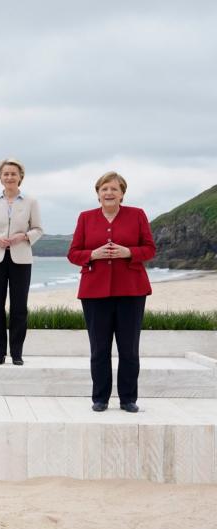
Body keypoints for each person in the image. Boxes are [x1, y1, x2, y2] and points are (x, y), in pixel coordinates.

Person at [67, 171, 155, 413]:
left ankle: (128, 399)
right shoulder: (85, 218)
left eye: (114, 189)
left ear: (122, 193)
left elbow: (149, 249)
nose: (109, 193)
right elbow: (73, 253)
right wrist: (91, 255)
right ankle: (100, 398)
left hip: (131, 290)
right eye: (104, 189)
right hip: (94, 292)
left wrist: (129, 252)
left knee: (129, 348)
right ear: (98, 194)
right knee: (99, 348)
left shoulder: (137, 215)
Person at [0, 158, 43, 366]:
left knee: (19, 307)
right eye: (6, 174)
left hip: (21, 259)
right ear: (0, 177)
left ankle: (16, 353)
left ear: (20, 176)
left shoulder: (30, 201)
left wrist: (23, 237)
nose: (9, 177)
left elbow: (38, 229)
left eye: (13, 173)